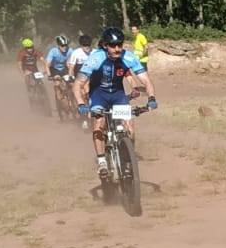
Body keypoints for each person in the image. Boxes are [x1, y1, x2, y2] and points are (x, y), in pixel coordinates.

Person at [74, 26, 157, 180]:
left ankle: (127, 159)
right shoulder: (96, 58)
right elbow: (78, 84)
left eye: (120, 44)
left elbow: (145, 79)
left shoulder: (129, 57)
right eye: (113, 45)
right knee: (99, 123)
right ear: (105, 45)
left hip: (118, 96)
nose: (117, 48)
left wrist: (151, 98)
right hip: (98, 95)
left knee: (130, 127)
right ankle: (101, 161)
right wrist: (81, 104)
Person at [45, 34, 73, 103]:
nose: (64, 47)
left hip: (64, 68)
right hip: (54, 69)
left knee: (70, 83)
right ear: (58, 46)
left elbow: (71, 63)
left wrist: (72, 74)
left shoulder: (70, 50)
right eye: (62, 46)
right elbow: (47, 64)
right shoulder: (53, 51)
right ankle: (58, 97)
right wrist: (49, 75)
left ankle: (71, 99)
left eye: (66, 45)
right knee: (57, 83)